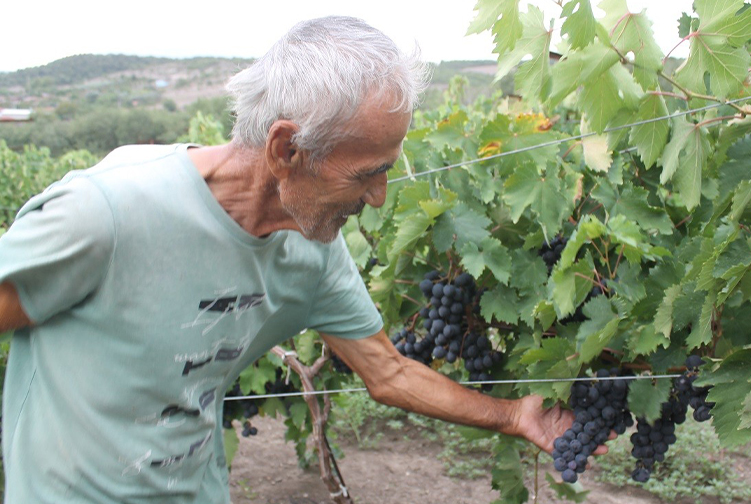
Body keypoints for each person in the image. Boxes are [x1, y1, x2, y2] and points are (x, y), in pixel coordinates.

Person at [0, 16, 609, 503]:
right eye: (367, 175)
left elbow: (390, 373)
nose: (379, 199)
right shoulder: (107, 212)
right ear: (287, 148)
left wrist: (511, 415)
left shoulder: (312, 253)